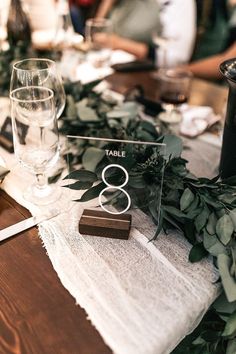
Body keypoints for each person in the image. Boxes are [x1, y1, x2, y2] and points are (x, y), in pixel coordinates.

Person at [93, 0, 196, 67]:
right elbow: (96, 32)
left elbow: (176, 59)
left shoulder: (178, 3)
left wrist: (121, 44)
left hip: (145, 75)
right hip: (109, 69)